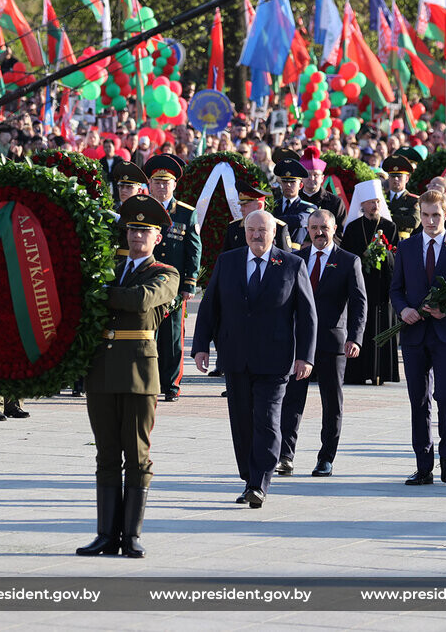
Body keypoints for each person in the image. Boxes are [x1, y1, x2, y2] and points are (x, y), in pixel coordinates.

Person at [191, 210, 316, 509]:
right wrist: (201, 347)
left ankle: (260, 482)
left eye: (263, 230)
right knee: (242, 422)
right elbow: (210, 307)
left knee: (268, 421)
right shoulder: (228, 261)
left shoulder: (291, 264)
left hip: (275, 359)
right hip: (236, 357)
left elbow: (308, 316)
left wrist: (306, 357)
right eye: (251, 230)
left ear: (274, 233)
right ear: (244, 232)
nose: (257, 235)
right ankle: (249, 478)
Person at [77, 195, 179, 559]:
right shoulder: (108, 266)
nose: (137, 236)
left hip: (138, 371)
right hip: (101, 370)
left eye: (145, 231)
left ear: (157, 238)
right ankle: (106, 533)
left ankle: (131, 535)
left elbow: (140, 300)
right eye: (133, 229)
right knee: (106, 454)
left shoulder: (165, 273)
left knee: (136, 455)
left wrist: (100, 293)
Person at [389, 190, 446, 485]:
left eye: (436, 215)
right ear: (419, 214)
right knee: (419, 400)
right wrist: (403, 310)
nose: (430, 221)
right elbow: (396, 289)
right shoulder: (406, 247)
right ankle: (423, 464)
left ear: (445, 214)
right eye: (425, 215)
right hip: (415, 335)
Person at [277, 209, 365, 477]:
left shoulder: (349, 261)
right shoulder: (297, 259)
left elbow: (360, 303)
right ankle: (285, 455)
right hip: (300, 343)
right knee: (292, 400)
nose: (318, 232)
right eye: (313, 227)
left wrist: (355, 337)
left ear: (334, 228)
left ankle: (326, 457)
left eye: (323, 227)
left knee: (331, 402)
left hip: (332, 341)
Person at [144, 155, 200, 403]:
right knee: (147, 335)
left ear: (174, 185)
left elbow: (193, 249)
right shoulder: (142, 208)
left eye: (166, 183)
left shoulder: (186, 213)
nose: (161, 187)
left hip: (174, 286)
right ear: (150, 184)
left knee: (173, 336)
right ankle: (149, 381)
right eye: (157, 182)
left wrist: (190, 283)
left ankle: (172, 385)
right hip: (146, 284)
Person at [341, 180, 400, 386]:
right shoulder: (353, 228)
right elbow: (346, 257)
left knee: (381, 324)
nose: (375, 206)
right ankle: (357, 373)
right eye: (370, 202)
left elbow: (396, 255)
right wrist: (363, 255)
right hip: (360, 284)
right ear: (361, 205)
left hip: (382, 286)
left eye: (377, 201)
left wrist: (383, 253)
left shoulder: (389, 227)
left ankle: (380, 373)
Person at [220, 181, 292, 253]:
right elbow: (225, 258)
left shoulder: (279, 227)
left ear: (259, 206)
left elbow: (287, 258)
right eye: (241, 205)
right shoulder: (234, 227)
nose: (241, 209)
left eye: (245, 205)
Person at [272, 158, 319, 249]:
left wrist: (272, 220)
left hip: (295, 252)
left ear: (300, 185)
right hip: (274, 250)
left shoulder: (309, 207)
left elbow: (300, 220)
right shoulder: (274, 204)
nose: (288, 185)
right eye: (285, 181)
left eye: (292, 182)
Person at [385, 157, 421, 239]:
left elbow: (414, 221)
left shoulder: (413, 200)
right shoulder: (381, 197)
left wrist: (387, 217)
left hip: (402, 240)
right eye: (392, 176)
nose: (396, 179)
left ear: (407, 178)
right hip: (383, 239)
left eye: (399, 176)